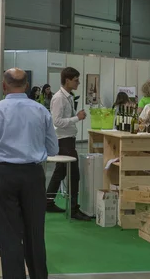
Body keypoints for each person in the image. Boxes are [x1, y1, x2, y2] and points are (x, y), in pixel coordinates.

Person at [0, 68, 59, 279]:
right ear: (27, 86)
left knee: (9, 236)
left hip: (4, 175)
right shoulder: (41, 110)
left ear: (4, 86)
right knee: (34, 234)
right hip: (33, 175)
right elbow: (54, 149)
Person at [46, 67, 90, 221]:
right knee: (74, 175)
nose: (78, 82)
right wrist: (76, 118)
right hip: (63, 140)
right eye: (76, 80)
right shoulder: (59, 98)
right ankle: (73, 209)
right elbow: (56, 122)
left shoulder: (68, 97)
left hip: (67, 139)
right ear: (67, 80)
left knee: (60, 172)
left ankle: (47, 201)